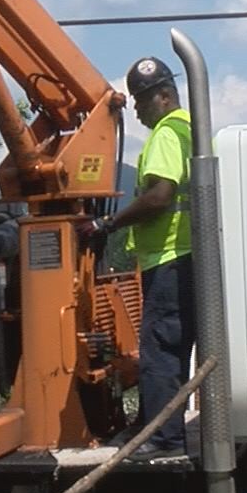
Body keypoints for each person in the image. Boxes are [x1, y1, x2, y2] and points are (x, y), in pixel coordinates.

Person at [77, 56, 196, 461]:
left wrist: (107, 225)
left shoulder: (166, 134)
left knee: (159, 349)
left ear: (165, 96)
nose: (139, 112)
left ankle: (163, 439)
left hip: (170, 258)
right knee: (169, 349)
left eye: (143, 102)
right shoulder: (192, 131)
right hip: (187, 259)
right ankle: (152, 424)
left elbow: (160, 197)